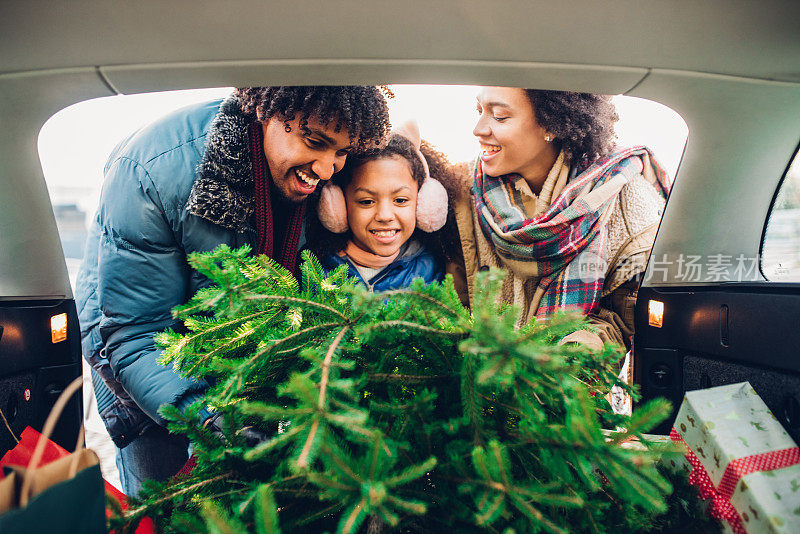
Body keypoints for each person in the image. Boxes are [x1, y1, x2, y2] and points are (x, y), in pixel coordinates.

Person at [75, 86, 391, 496]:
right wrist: (211, 420)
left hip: (236, 357)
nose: (329, 169)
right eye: (315, 144)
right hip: (138, 361)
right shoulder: (157, 171)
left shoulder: (314, 172)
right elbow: (135, 337)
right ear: (267, 111)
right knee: (167, 501)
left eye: (342, 153)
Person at [450, 86, 670, 352]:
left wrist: (574, 356)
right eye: (480, 111)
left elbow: (619, 320)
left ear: (550, 125)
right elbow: (450, 303)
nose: (478, 129)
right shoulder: (460, 191)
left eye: (498, 116)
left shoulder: (625, 198)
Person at [309, 121, 451, 291]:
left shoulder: (430, 270)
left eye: (400, 200)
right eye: (367, 201)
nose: (384, 216)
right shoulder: (315, 269)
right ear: (338, 205)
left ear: (423, 202)